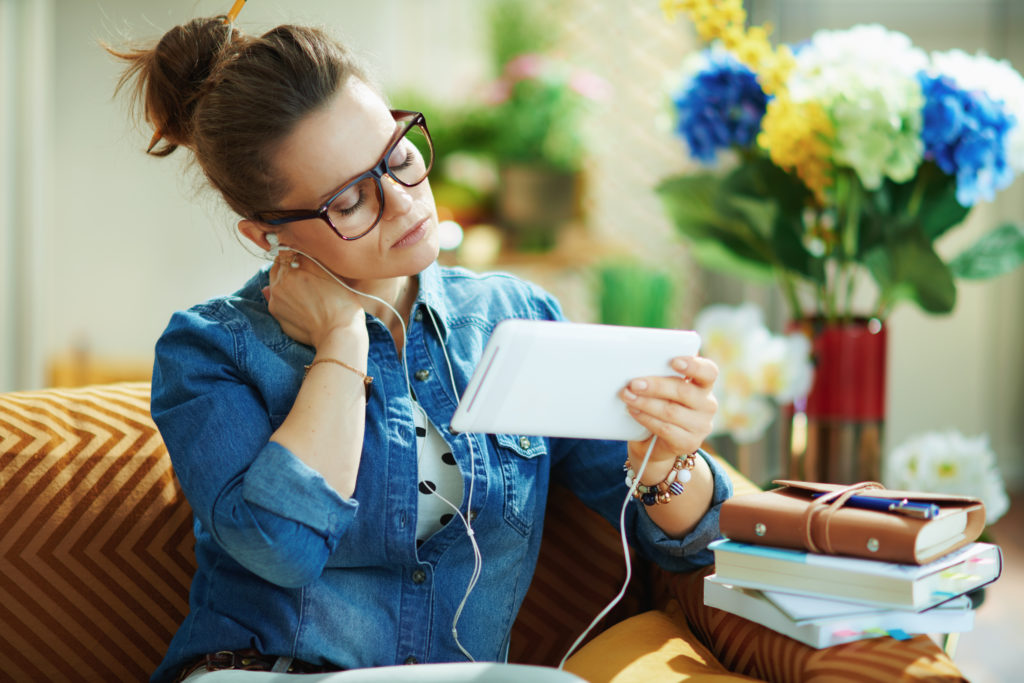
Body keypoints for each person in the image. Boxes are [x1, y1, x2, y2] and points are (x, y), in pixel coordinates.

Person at [108, 12, 731, 683]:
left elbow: (685, 538)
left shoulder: (514, 318)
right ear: (266, 235)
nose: (405, 204)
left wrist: (671, 456)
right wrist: (342, 343)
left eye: (399, 157)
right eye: (350, 200)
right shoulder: (210, 350)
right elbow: (281, 548)